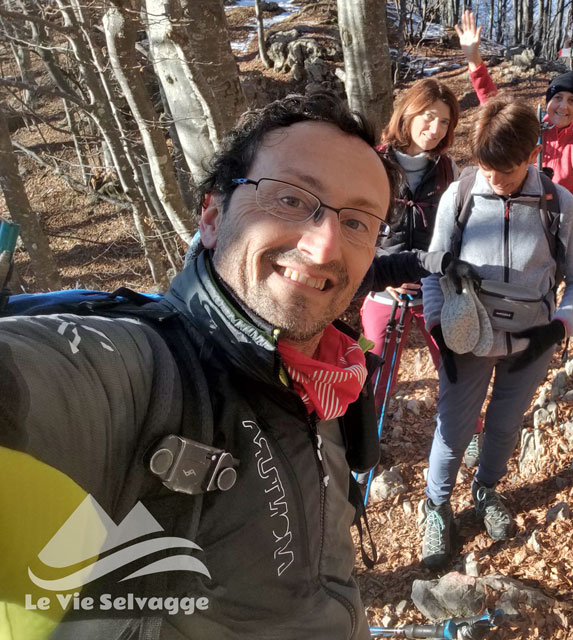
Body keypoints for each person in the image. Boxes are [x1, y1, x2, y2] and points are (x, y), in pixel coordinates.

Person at [0, 92, 402, 639]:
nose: (325, 243)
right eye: (290, 198)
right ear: (212, 216)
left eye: (357, 222)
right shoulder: (143, 373)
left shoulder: (327, 377)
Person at [418, 98, 573, 570]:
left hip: (531, 343)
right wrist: (438, 330)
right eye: (486, 168)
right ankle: (436, 507)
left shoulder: (559, 205)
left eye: (508, 171)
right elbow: (432, 270)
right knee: (454, 429)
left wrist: (559, 327)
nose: (495, 180)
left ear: (532, 153)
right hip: (467, 339)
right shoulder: (458, 196)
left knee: (503, 424)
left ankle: (486, 490)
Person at [360, 78, 485, 465]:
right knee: (368, 368)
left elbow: (462, 230)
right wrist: (373, 277)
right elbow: (354, 227)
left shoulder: (450, 171)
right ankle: (362, 447)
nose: (435, 129)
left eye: (445, 122)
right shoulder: (373, 163)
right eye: (429, 117)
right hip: (382, 291)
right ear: (408, 112)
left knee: (455, 366)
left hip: (433, 289)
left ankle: (472, 432)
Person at [456, 9, 573, 220]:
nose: (563, 106)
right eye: (558, 98)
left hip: (554, 238)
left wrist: (565, 214)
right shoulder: (527, 130)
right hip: (512, 221)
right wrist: (474, 60)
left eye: (572, 101)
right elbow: (494, 105)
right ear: (548, 101)